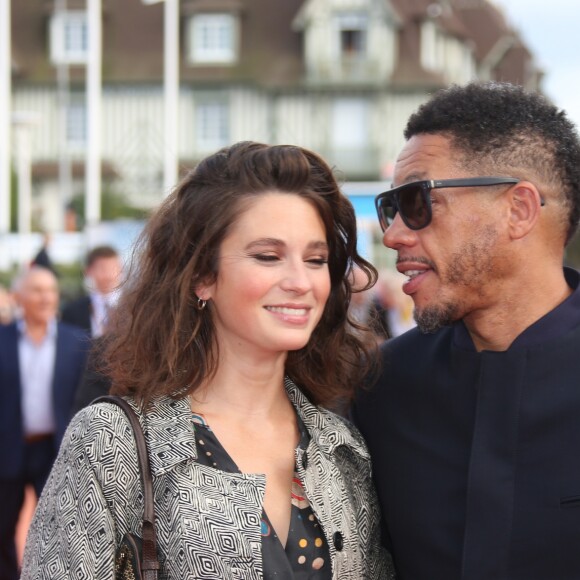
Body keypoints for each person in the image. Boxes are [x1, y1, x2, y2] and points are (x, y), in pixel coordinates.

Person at [22, 141, 394, 579]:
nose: (301, 282)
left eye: (316, 260)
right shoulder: (112, 441)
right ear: (202, 276)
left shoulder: (341, 447)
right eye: (268, 256)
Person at [352, 80, 580, 580]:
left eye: (415, 201)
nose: (392, 234)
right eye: (389, 208)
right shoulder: (380, 388)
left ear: (518, 209)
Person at [0, 267, 88, 580]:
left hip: (55, 450)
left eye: (50, 290)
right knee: (2, 528)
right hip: (8, 448)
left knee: (58, 528)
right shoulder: (3, 338)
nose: (46, 297)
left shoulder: (76, 341)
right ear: (19, 297)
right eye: (37, 290)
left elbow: (85, 399)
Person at [60, 245, 123, 337]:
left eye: (114, 268)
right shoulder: (72, 312)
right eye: (102, 269)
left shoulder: (137, 307)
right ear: (88, 271)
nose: (109, 275)